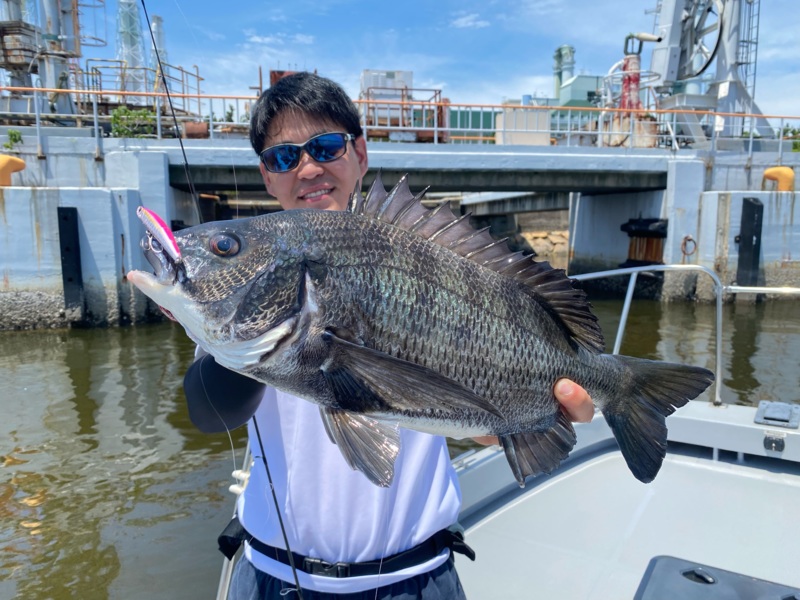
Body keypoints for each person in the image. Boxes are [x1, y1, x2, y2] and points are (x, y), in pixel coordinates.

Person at [183, 72, 594, 600]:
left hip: (415, 580)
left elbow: (475, 424)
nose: (307, 168)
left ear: (359, 153)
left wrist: (538, 417)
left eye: (325, 147)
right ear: (266, 175)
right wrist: (218, 329)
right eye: (283, 158)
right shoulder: (254, 272)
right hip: (271, 578)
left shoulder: (413, 249)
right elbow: (211, 414)